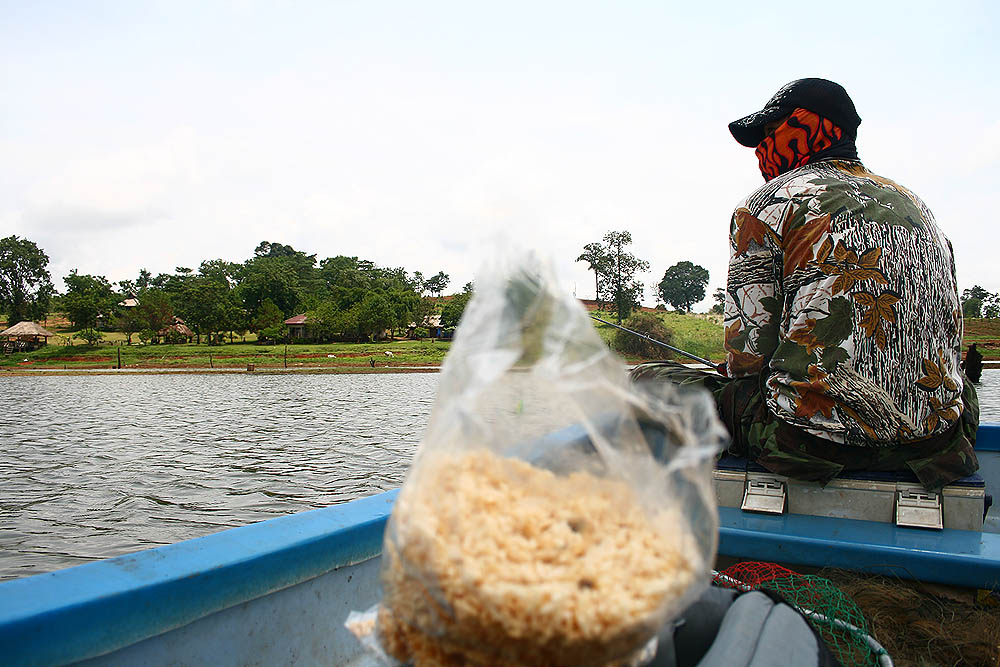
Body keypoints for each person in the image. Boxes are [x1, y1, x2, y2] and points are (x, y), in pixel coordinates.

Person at [634, 78, 978, 490]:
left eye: (767, 133)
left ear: (802, 125)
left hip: (808, 443)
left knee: (643, 380)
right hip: (937, 442)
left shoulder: (767, 203)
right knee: (967, 393)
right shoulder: (917, 205)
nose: (761, 150)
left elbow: (747, 359)